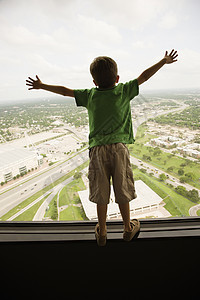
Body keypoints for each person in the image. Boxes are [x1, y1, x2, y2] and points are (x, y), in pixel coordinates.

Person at [26, 49, 178, 246]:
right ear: (117, 77)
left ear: (94, 82)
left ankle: (103, 232)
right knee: (122, 188)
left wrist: (41, 85)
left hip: (98, 150)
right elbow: (144, 76)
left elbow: (65, 91)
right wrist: (163, 61)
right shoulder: (123, 90)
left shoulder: (89, 95)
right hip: (119, 149)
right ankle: (127, 228)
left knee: (101, 191)